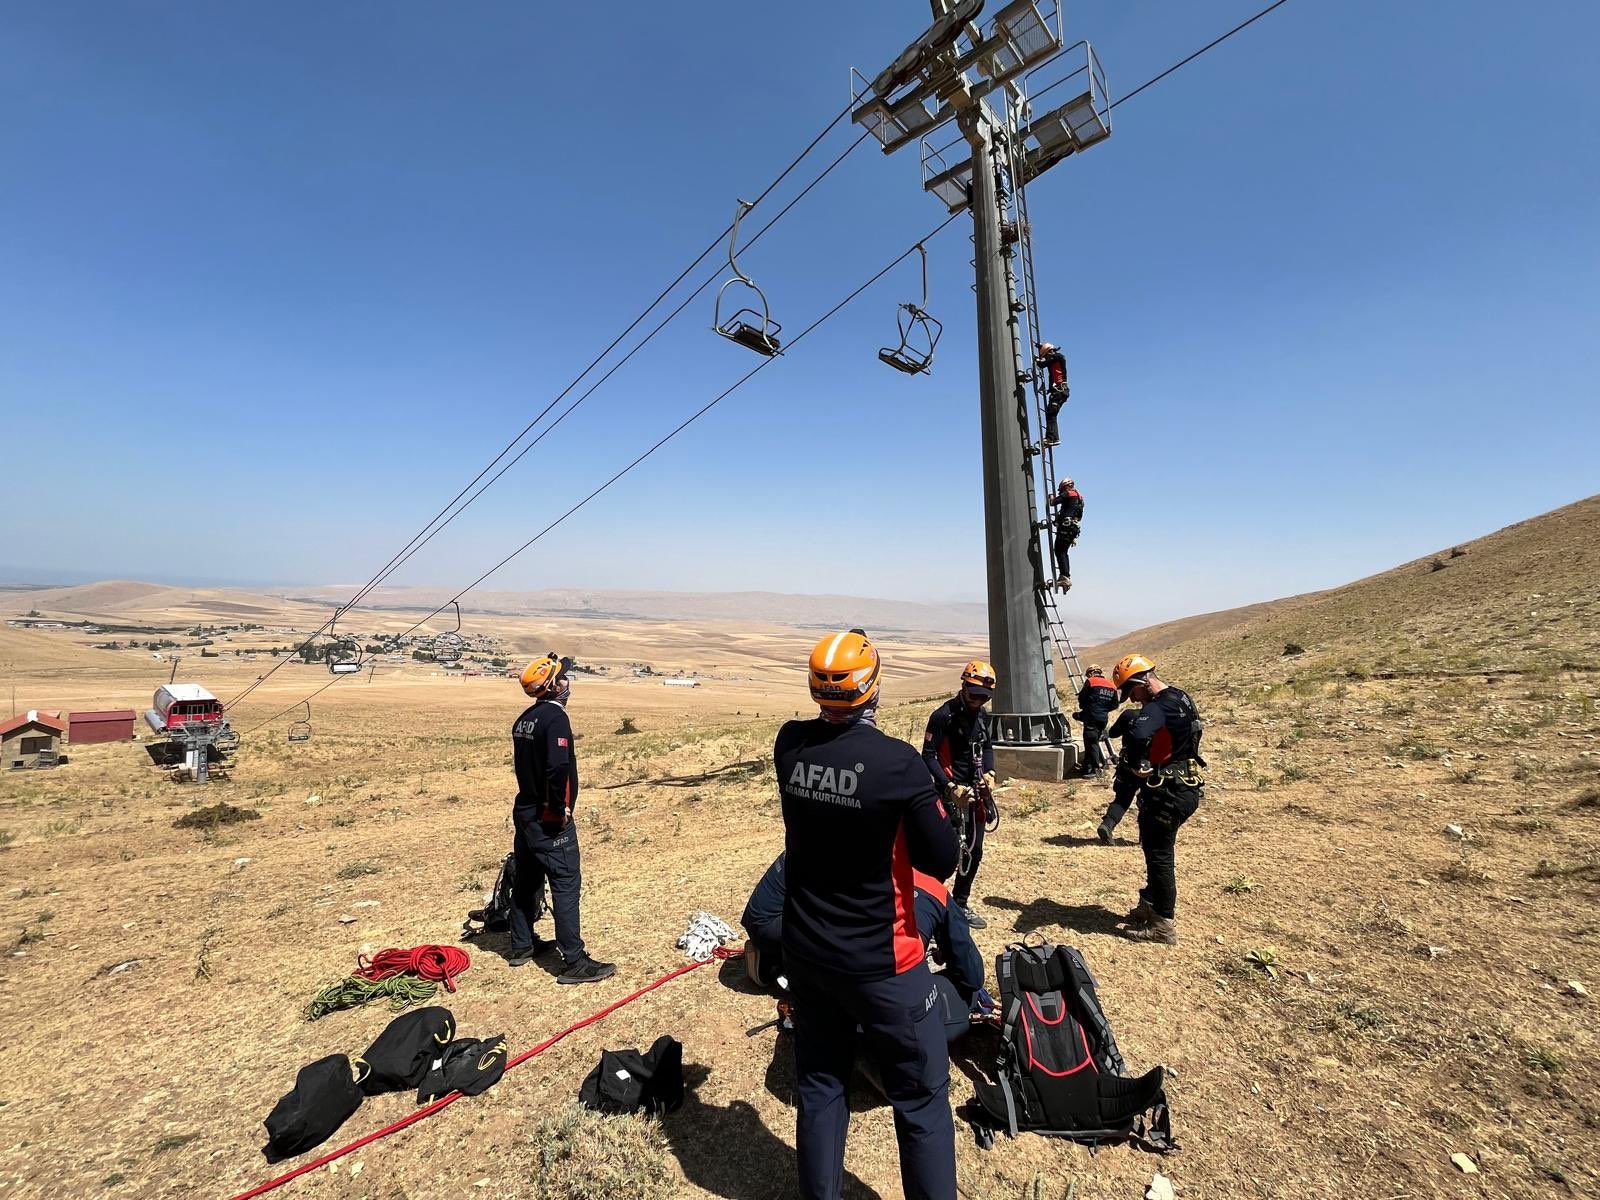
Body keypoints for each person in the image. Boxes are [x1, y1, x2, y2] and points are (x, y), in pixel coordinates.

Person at [779, 628, 959, 1200]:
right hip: (886, 963)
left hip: (808, 953)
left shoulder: (790, 746)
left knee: (821, 1085)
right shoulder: (897, 764)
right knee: (921, 1100)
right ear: (873, 688)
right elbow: (943, 858)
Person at [742, 853, 989, 1046]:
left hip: (832, 1014)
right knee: (962, 992)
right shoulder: (934, 891)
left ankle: (776, 962)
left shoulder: (859, 868)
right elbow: (972, 976)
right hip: (890, 1021)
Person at [507, 653, 615, 984]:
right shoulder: (556, 720)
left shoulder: (525, 719)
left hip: (525, 812)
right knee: (565, 884)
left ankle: (521, 946)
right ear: (553, 686)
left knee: (527, 880)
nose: (569, 682)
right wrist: (558, 807)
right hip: (547, 816)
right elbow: (557, 767)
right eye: (564, 677)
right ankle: (574, 961)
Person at [1109, 654, 1206, 946]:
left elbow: (1138, 731)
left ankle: (1163, 923)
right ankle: (1149, 906)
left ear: (1142, 681)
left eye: (1133, 692)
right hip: (1184, 785)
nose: (1135, 700)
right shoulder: (1180, 696)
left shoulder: (1160, 705)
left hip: (1169, 792)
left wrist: (1139, 762)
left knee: (1160, 855)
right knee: (1154, 850)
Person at [922, 660, 997, 930]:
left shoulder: (983, 716)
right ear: (964, 686)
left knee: (974, 851)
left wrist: (990, 773)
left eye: (984, 697)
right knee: (946, 852)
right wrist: (950, 787)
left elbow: (987, 747)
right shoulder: (944, 716)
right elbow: (928, 756)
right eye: (975, 694)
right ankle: (927, 902)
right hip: (950, 792)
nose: (979, 701)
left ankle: (960, 903)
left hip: (976, 792)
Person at [1074, 664, 1119, 780]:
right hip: (1103, 719)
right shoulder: (1111, 685)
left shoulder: (1091, 681)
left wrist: (1086, 710)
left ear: (1090, 673)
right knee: (1093, 741)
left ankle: (1096, 770)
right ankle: (1087, 767)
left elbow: (1082, 698)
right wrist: (1102, 710)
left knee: (1091, 743)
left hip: (1091, 718)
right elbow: (1115, 704)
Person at [1050, 478, 1084, 589]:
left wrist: (1051, 496)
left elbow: (1053, 502)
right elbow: (1074, 514)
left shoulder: (1068, 494)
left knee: (1059, 551)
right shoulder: (1079, 498)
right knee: (1063, 552)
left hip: (1066, 528)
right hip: (1073, 529)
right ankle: (1065, 576)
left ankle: (1065, 577)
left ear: (1065, 487)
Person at [1035, 342, 1069, 447]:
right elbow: (1051, 372)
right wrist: (1040, 347)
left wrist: (1037, 360)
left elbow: (1042, 364)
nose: (1046, 358)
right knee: (1051, 414)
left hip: (1059, 392)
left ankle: (1052, 438)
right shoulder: (1054, 360)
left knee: (1051, 415)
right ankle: (1052, 438)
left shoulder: (1057, 357)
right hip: (1059, 391)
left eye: (1046, 355)